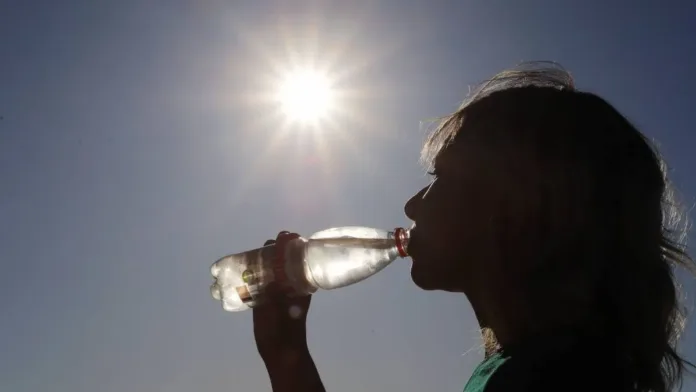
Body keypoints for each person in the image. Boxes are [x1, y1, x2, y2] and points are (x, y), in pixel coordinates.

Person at [251, 63, 695, 392]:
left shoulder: (544, 381)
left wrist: (288, 364)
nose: (410, 205)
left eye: (440, 179)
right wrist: (287, 358)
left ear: (516, 210)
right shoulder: (549, 368)